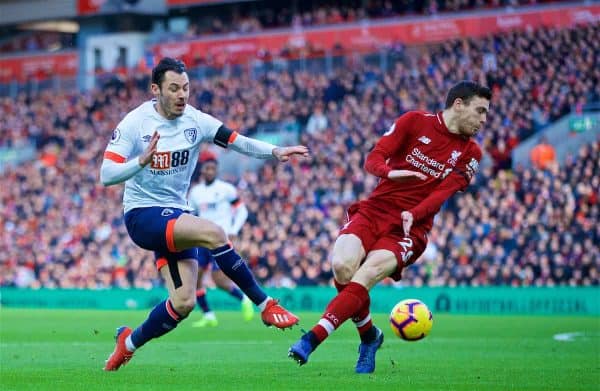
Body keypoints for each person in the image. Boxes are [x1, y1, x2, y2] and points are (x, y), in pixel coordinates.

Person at [100, 57, 309, 371]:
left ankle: (127, 344)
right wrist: (140, 162)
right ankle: (265, 304)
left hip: (175, 215)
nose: (182, 94)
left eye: (186, 87)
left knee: (183, 303)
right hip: (142, 215)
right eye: (174, 88)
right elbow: (106, 174)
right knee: (214, 233)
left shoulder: (196, 121)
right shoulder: (135, 123)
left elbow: (237, 141)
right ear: (155, 90)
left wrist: (274, 151)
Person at [288, 80, 491, 373]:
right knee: (343, 267)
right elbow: (372, 159)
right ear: (458, 104)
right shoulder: (414, 122)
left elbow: (442, 193)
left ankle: (312, 338)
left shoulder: (471, 153)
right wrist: (391, 173)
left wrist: (415, 213)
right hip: (374, 209)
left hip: (410, 228)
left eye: (486, 114)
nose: (483, 120)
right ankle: (370, 336)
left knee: (368, 272)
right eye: (480, 111)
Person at [188, 151, 253, 327]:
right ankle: (209, 315)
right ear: (202, 170)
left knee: (219, 280)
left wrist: (234, 229)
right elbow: (192, 216)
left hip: (221, 240)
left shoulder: (226, 189)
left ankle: (244, 299)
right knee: (196, 279)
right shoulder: (195, 192)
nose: (210, 171)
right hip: (202, 240)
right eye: (207, 168)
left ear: (216, 170)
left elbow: (242, 210)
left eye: (213, 168)